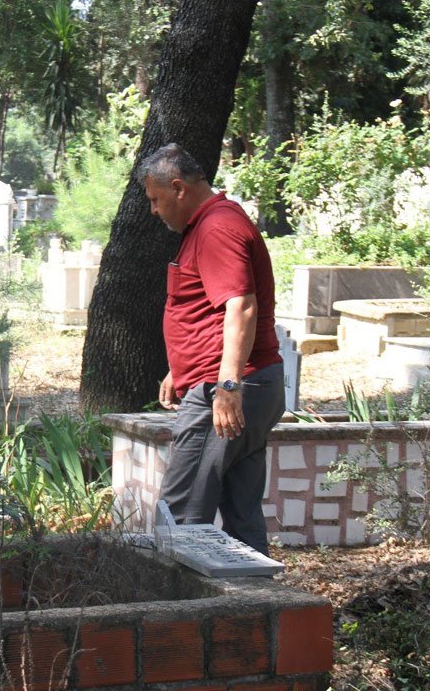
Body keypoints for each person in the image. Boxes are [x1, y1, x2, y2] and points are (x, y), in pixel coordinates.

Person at [139, 142, 285, 555]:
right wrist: (180, 367)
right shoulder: (214, 222)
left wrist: (227, 385)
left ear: (178, 188)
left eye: (155, 199)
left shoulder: (216, 228)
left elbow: (241, 306)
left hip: (226, 390)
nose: (153, 210)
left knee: (181, 518)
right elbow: (207, 308)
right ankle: (253, 593)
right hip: (248, 381)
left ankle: (177, 597)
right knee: (242, 517)